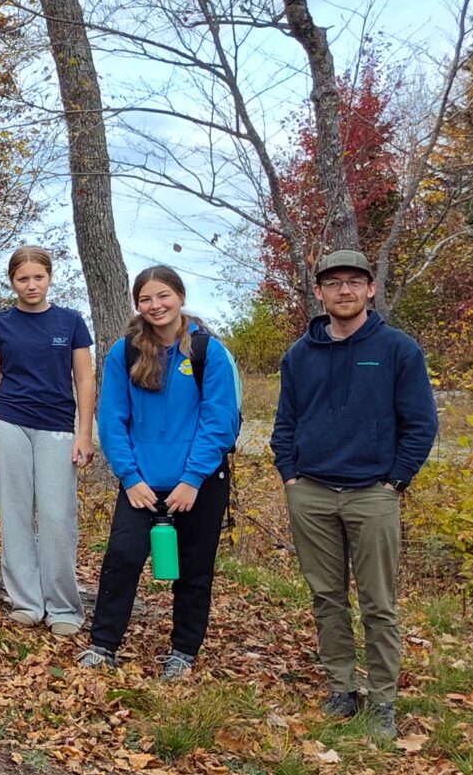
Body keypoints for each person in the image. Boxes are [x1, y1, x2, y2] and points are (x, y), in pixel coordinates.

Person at [270, 249, 439, 740]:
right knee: (326, 597)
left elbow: (421, 422)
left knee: (378, 602)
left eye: (354, 282)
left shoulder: (397, 349)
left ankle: (382, 700)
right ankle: (341, 687)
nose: (344, 290)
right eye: (333, 283)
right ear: (319, 292)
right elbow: (286, 423)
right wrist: (291, 477)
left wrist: (395, 481)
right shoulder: (299, 355)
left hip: (372, 495)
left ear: (369, 289)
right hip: (313, 493)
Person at [81, 264, 243, 679]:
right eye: (146, 299)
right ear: (137, 304)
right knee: (122, 558)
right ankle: (103, 645)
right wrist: (130, 478)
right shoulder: (125, 351)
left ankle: (183, 652)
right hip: (141, 484)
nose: (155, 306)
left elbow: (219, 422)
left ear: (180, 295)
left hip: (199, 485)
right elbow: (112, 419)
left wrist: (192, 480)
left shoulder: (208, 352)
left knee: (193, 571)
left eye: (162, 296)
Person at [0, 246, 96, 634]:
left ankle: (63, 606)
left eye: (38, 277)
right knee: (15, 513)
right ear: (12, 282)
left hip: (57, 426)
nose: (31, 285)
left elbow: (85, 380)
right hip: (8, 423)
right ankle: (26, 600)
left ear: (49, 277)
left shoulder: (70, 322)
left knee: (58, 517)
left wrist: (85, 432)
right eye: (22, 279)